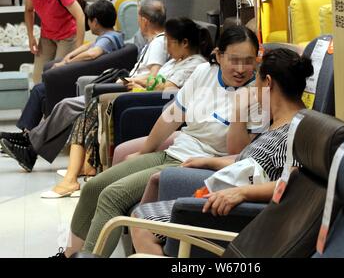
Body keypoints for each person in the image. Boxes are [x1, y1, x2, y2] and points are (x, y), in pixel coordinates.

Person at [52, 25, 261, 258]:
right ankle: (69, 254)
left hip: (195, 165)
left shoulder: (258, 92)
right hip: (175, 151)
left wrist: (240, 112)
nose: (242, 69)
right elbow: (171, 117)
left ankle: (90, 255)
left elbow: (238, 153)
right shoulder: (204, 73)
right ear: (219, 55)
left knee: (112, 196)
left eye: (248, 61)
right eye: (234, 59)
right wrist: (144, 152)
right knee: (93, 187)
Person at [130, 47, 314, 256]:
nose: (253, 87)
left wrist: (241, 193)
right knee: (141, 216)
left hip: (242, 214)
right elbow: (254, 164)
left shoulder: (297, 130)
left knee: (142, 223)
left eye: (257, 82)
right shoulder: (280, 122)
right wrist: (209, 162)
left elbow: (294, 183)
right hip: (228, 200)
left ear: (268, 83)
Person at [42, 17, 214, 198]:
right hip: (141, 95)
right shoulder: (175, 61)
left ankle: (73, 176)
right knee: (91, 107)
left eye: (169, 43)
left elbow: (169, 90)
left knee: (95, 106)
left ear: (184, 43)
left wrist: (142, 86)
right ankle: (81, 169)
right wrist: (140, 81)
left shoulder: (195, 64)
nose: (166, 48)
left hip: (146, 102)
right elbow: (157, 81)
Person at [0, 0, 124, 172]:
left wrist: (68, 63)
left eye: (88, 19)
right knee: (41, 91)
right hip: (82, 81)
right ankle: (27, 140)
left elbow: (93, 53)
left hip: (82, 83)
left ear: (94, 21)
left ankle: (27, 140)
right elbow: (89, 47)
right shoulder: (111, 36)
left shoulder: (109, 39)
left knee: (43, 92)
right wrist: (67, 59)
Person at [24, 0, 85, 84]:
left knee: (57, 76)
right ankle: (42, 103)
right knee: (38, 78)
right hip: (47, 35)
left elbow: (80, 16)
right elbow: (29, 10)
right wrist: (31, 37)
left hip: (67, 37)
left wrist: (78, 48)